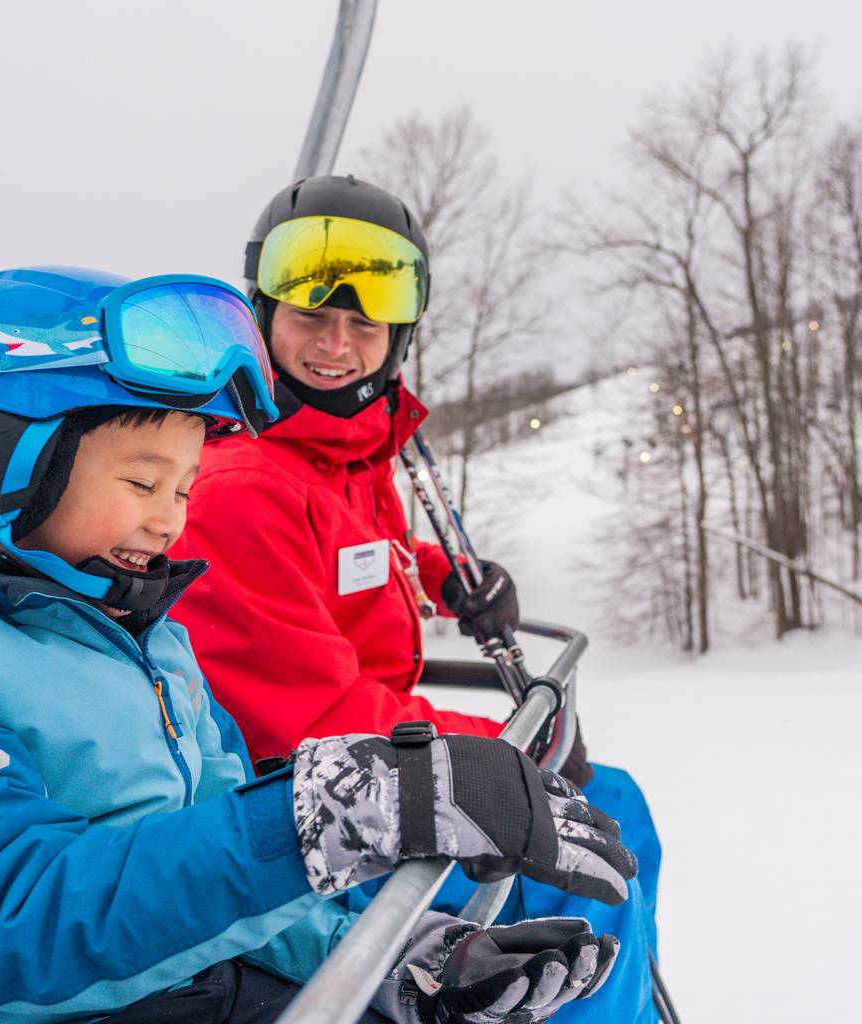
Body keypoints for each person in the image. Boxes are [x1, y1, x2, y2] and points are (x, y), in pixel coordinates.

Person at [0, 266, 635, 1024]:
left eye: (183, 486)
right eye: (142, 481)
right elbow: (12, 922)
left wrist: (406, 959)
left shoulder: (151, 646)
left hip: (198, 992)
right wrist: (333, 816)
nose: (171, 518)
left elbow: (220, 870)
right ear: (1, 456)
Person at [171, 177, 664, 1022]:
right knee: (604, 817)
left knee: (610, 812)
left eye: (366, 323)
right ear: (261, 316)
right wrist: (517, 748)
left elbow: (354, 560)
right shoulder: (243, 485)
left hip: (372, 754)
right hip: (312, 808)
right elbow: (313, 715)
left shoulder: (341, 457)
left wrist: (447, 576)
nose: (339, 343)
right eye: (311, 317)